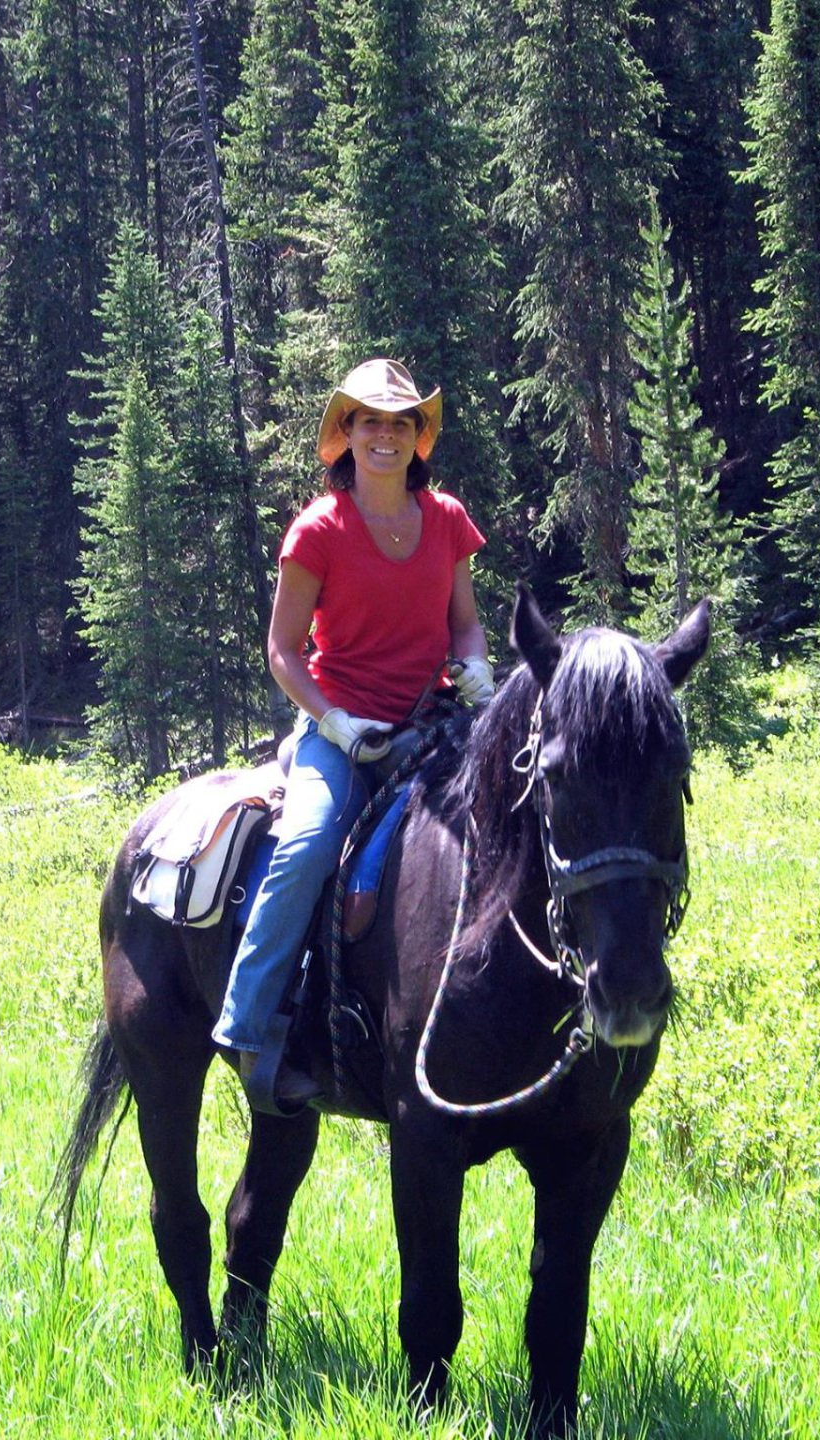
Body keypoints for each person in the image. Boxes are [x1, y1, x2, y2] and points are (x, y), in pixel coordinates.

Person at [213, 358, 494, 1109]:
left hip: (432, 725)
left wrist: (477, 672)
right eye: (370, 420)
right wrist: (334, 723)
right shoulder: (320, 530)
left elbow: (463, 626)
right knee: (307, 843)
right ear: (345, 433)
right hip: (340, 730)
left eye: (401, 422)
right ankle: (248, 1026)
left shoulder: (446, 520)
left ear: (417, 438)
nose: (386, 435)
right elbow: (282, 649)